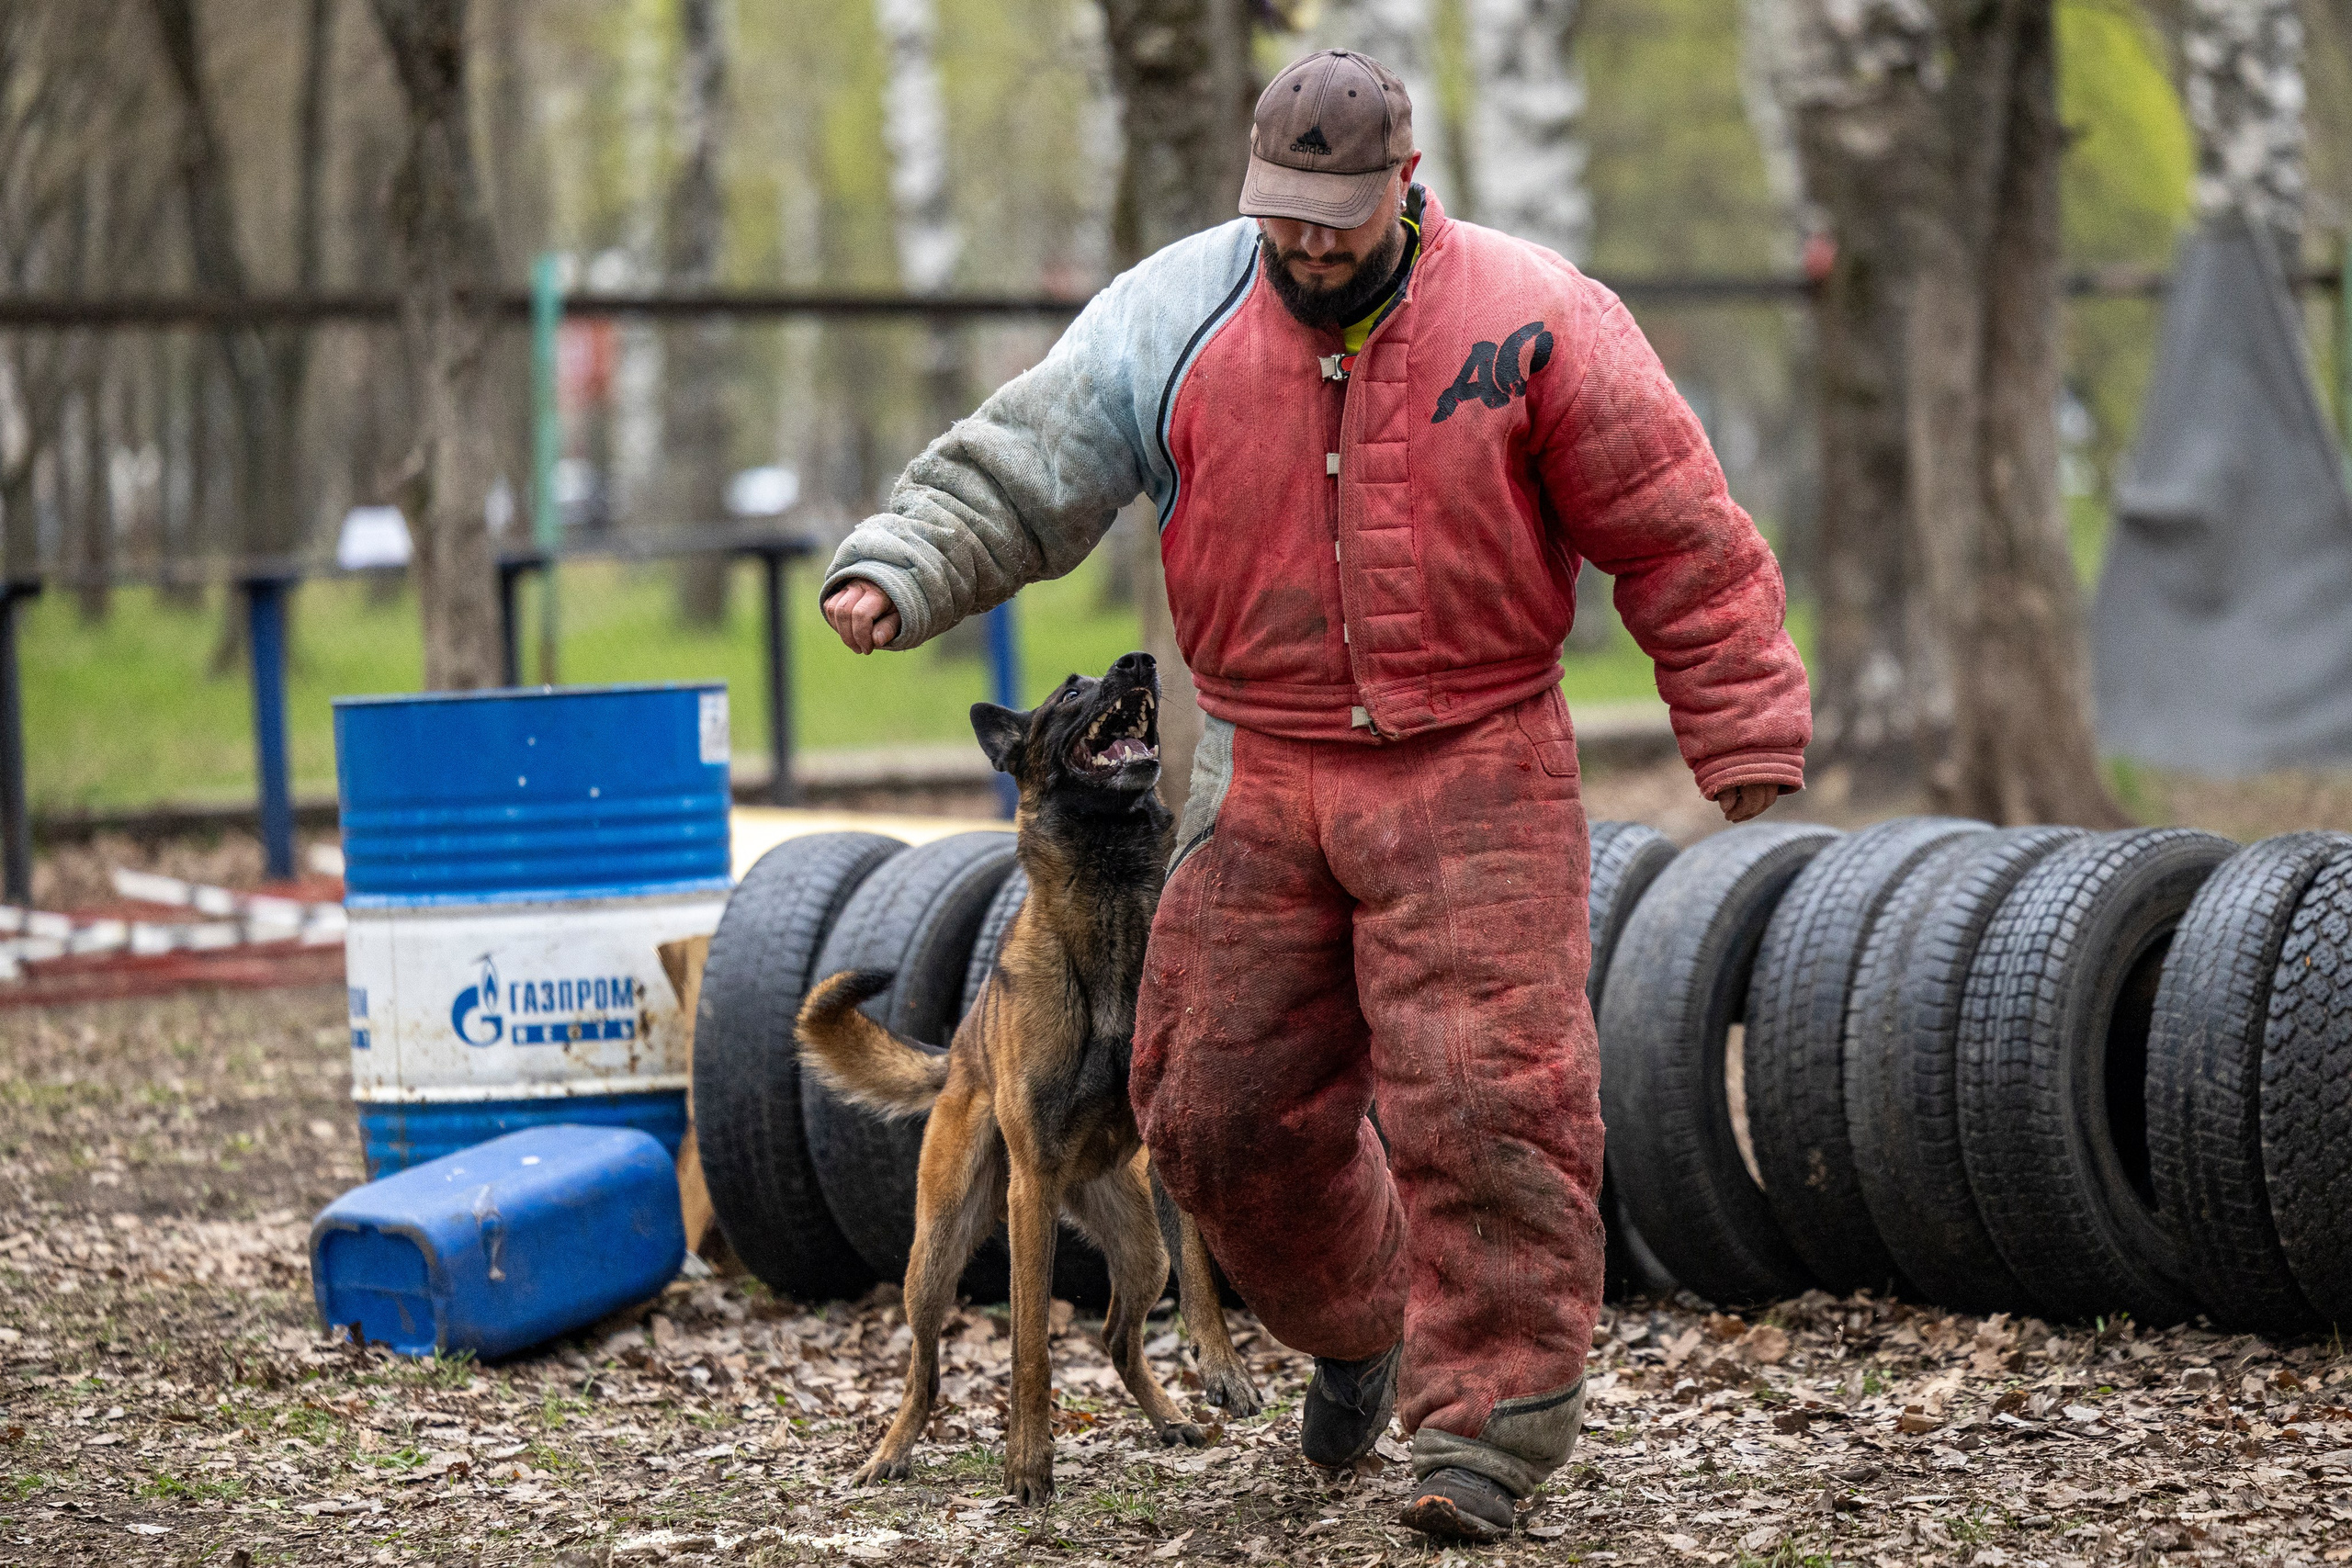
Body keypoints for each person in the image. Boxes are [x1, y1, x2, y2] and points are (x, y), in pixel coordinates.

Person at [820, 48, 1811, 1544]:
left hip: (1475, 761)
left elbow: (1680, 528)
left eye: (1336, 219)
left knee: (1490, 1098)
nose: (1305, 244)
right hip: (1262, 763)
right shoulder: (1179, 311)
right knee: (1207, 1110)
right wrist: (903, 564)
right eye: (1281, 215)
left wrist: (1737, 722)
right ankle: (1360, 1326)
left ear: (1406, 187)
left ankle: (1490, 1429)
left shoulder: (1534, 317)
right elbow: (1028, 462)